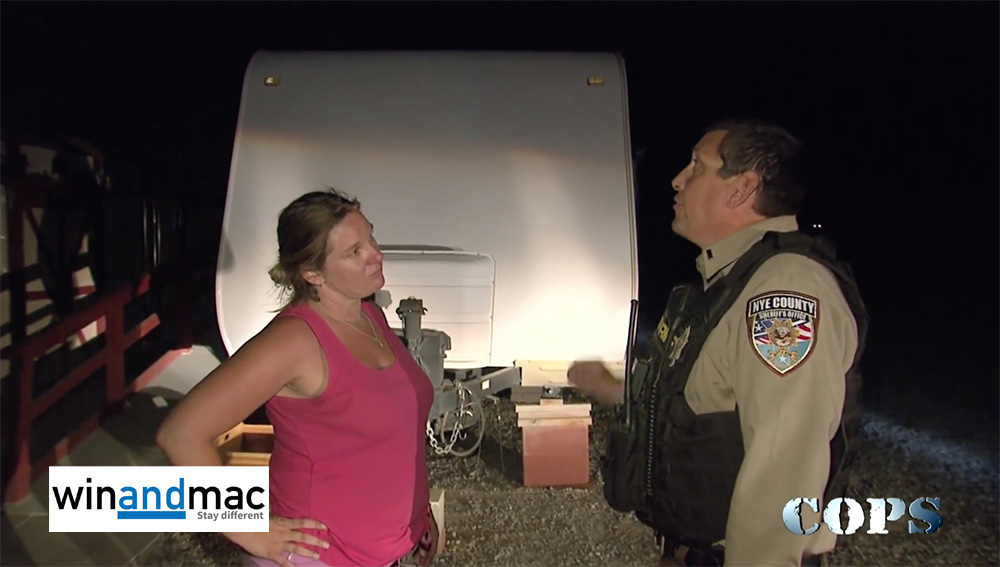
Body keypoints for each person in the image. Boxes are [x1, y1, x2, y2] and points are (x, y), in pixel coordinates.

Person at [569, 119, 869, 566]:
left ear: (742, 188)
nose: (678, 180)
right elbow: (703, 405)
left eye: (697, 166)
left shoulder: (784, 290)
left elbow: (784, 465)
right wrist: (615, 387)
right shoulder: (731, 284)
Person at [156, 188, 439, 567]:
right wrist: (246, 528)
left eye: (370, 238)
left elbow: (390, 443)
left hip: (382, 550)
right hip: (317, 557)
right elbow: (179, 435)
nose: (375, 254)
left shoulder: (369, 317)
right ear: (312, 273)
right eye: (354, 251)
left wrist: (419, 517)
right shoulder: (294, 341)